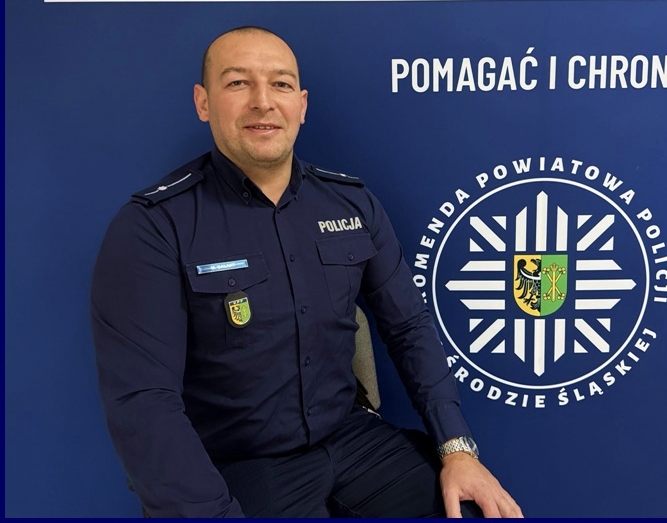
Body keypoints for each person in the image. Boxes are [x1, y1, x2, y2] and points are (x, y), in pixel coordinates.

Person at [91, 26, 523, 518]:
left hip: (352, 441)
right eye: (238, 83)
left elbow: (409, 327)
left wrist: (457, 449)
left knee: (472, 509)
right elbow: (143, 403)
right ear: (203, 102)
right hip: (239, 465)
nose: (262, 101)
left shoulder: (351, 203)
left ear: (301, 105)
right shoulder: (155, 225)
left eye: (280, 84)